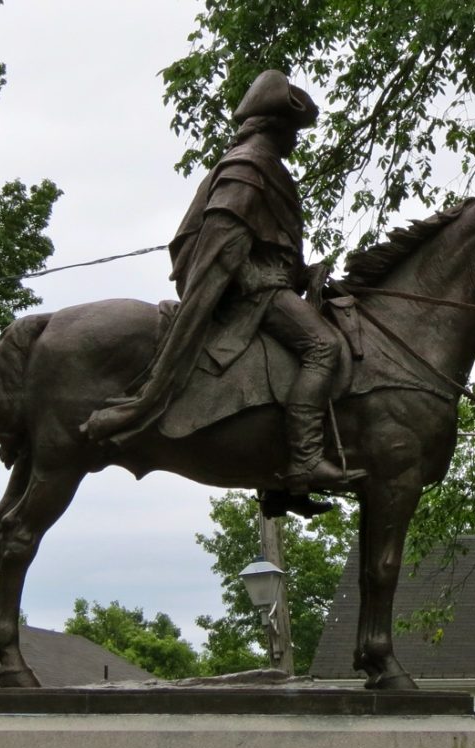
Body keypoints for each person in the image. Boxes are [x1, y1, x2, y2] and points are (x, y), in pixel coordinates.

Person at [82, 70, 365, 495]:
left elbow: (265, 246)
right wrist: (260, 279)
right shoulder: (248, 167)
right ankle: (305, 459)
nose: (296, 141)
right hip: (253, 296)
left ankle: (275, 479)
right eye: (294, 131)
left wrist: (304, 274)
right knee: (323, 346)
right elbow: (221, 251)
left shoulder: (264, 165)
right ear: (276, 127)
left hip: (270, 286)